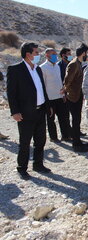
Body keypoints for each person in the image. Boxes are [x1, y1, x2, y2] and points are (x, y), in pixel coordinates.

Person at [7, 42, 53, 180]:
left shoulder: (37, 69)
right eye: (36, 53)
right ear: (28, 54)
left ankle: (38, 164)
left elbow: (42, 89)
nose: (38, 55)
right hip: (25, 113)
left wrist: (48, 105)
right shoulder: (15, 70)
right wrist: (15, 111)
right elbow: (11, 93)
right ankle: (22, 168)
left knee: (40, 140)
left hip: (40, 110)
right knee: (25, 142)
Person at [40, 48, 71, 142]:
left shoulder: (57, 66)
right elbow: (42, 85)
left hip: (60, 97)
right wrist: (46, 101)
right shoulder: (42, 68)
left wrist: (64, 94)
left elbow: (60, 81)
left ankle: (65, 136)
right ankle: (53, 137)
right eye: (52, 54)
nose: (55, 56)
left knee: (64, 118)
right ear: (47, 55)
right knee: (51, 119)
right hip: (50, 99)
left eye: (55, 54)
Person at [63, 43, 88, 152]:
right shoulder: (74, 64)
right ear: (83, 53)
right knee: (75, 119)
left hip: (77, 95)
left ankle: (77, 140)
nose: (86, 55)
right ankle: (76, 143)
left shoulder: (78, 63)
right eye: (86, 53)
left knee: (77, 119)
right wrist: (65, 91)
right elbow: (68, 80)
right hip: (73, 97)